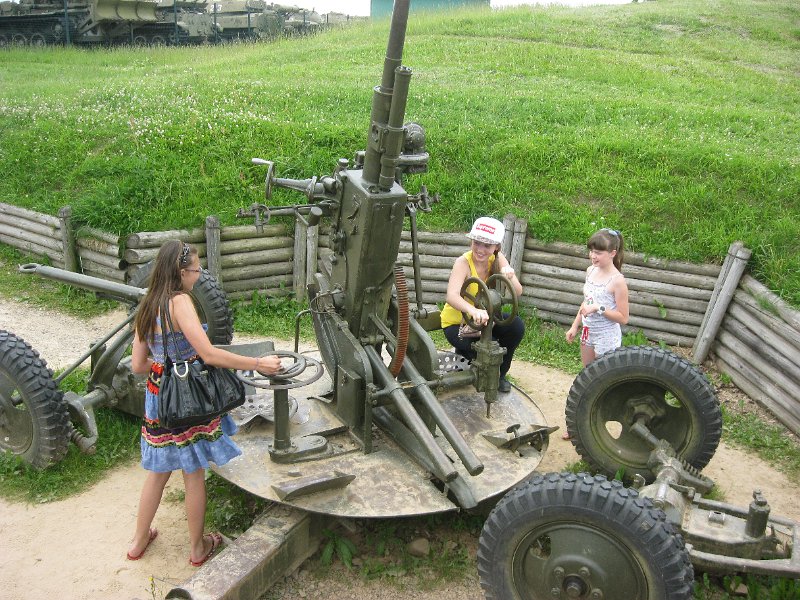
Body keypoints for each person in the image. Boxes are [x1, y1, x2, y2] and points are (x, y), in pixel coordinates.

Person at [126, 240, 282, 567]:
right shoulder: (180, 302)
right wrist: (258, 364)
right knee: (193, 472)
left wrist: (165, 365)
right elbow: (209, 354)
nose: (198, 275)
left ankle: (138, 541)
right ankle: (197, 549)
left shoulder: (147, 304)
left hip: (158, 396)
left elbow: (138, 365)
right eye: (196, 270)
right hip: (187, 396)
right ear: (181, 272)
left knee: (158, 472)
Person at [440, 217, 525, 393]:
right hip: (458, 325)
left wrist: (510, 276)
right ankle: (466, 357)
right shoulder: (463, 263)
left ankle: (499, 375)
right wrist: (472, 310)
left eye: (487, 245)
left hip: (485, 321)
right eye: (477, 243)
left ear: (496, 247)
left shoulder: (497, 259)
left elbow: (517, 292)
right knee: (488, 346)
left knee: (516, 327)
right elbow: (451, 296)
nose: (480, 249)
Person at [564, 228, 630, 438]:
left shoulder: (617, 281)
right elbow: (586, 302)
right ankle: (578, 426)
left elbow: (623, 317)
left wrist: (599, 309)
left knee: (602, 382)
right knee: (586, 378)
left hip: (606, 337)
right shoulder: (590, 271)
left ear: (612, 253)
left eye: (598, 252)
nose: (593, 256)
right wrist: (575, 325)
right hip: (588, 332)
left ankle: (598, 429)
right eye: (591, 251)